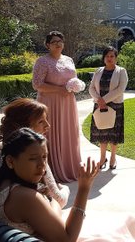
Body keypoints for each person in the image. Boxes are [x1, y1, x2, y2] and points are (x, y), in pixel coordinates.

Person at [0, 128, 98, 242]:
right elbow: (67, 239)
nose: (42, 165)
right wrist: (83, 188)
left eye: (44, 157)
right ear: (10, 161)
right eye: (33, 159)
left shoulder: (2, 183)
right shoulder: (25, 197)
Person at [0, 98, 70, 208]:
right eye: (41, 122)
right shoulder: (31, 156)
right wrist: (65, 189)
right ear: (24, 128)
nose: (48, 126)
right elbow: (59, 200)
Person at [33, 30, 82, 183]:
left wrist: (75, 86)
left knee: (68, 132)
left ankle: (69, 166)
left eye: (60, 41)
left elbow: (73, 78)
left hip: (68, 103)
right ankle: (51, 170)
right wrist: (61, 89)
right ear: (48, 45)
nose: (58, 44)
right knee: (51, 132)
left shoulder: (69, 60)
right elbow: (37, 84)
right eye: (54, 41)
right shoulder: (42, 61)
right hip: (50, 103)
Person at [89, 46, 129, 170]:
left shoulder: (121, 71)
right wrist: (99, 100)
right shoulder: (98, 71)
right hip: (99, 105)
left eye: (112, 56)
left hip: (115, 105)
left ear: (116, 58)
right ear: (104, 58)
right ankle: (102, 158)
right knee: (102, 132)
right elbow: (91, 88)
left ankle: (113, 157)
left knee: (113, 134)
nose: (109, 58)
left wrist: (103, 100)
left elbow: (120, 89)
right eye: (107, 56)